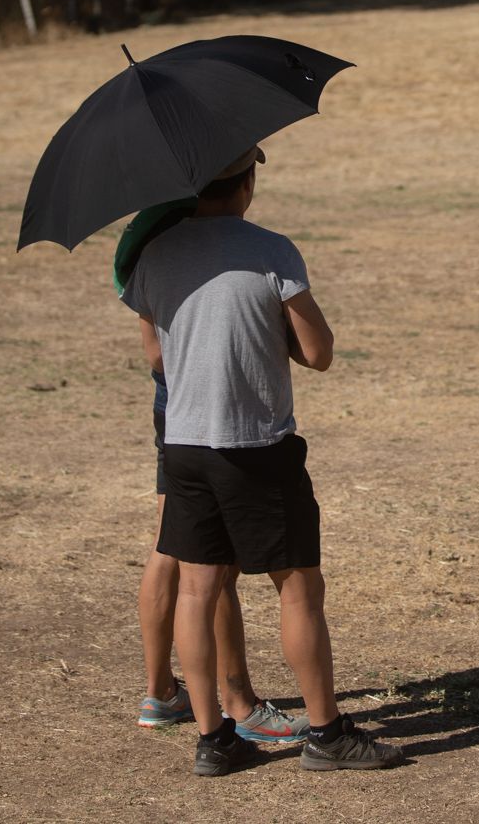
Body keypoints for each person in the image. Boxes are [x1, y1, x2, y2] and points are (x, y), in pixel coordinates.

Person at [121, 145, 404, 777]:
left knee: (197, 590)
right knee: (299, 590)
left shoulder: (156, 256)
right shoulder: (272, 250)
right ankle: (327, 734)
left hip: (186, 446)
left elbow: (157, 359)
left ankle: (214, 740)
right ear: (246, 183)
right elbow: (319, 351)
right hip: (257, 448)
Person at [114, 200, 309, 745]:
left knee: (173, 546)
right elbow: (315, 348)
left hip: (177, 405)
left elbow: (154, 352)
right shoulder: (246, 240)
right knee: (214, 564)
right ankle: (239, 701)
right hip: (220, 410)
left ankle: (165, 694)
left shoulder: (145, 235)